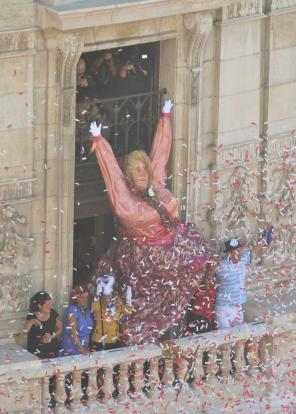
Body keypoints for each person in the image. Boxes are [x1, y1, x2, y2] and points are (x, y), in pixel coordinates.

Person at [88, 100, 211, 344]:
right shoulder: (125, 201)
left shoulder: (156, 185)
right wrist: (99, 142)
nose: (143, 171)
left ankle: (172, 330)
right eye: (136, 168)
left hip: (172, 251)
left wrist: (165, 118)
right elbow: (112, 175)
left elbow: (161, 154)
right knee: (142, 305)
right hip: (143, 259)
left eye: (144, 166)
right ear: (129, 174)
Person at [215, 227, 272, 330]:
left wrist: (264, 239)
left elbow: (254, 251)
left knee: (240, 337)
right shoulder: (220, 266)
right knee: (225, 340)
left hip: (238, 307)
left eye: (240, 250)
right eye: (237, 251)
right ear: (229, 253)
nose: (240, 253)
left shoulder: (242, 260)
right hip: (224, 308)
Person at [90, 275, 132, 351]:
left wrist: (128, 297)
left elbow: (128, 312)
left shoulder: (118, 304)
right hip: (99, 342)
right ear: (101, 296)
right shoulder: (98, 305)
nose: (107, 299)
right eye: (104, 297)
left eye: (109, 296)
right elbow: (94, 306)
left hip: (114, 341)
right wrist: (97, 293)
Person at [25, 291, 62, 359]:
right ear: (39, 305)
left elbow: (61, 328)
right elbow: (25, 331)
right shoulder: (32, 315)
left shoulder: (53, 313)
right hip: (36, 353)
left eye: (51, 303)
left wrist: (52, 336)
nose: (50, 306)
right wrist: (31, 322)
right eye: (47, 304)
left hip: (52, 351)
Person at [186, 261, 218, 334]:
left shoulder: (214, 283)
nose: (211, 273)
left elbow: (213, 302)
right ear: (205, 271)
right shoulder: (198, 282)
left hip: (209, 318)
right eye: (210, 270)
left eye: (213, 270)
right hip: (196, 316)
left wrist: (212, 318)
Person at [60, 285, 93, 356]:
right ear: (76, 298)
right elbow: (73, 334)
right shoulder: (72, 310)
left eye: (87, 297)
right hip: (72, 346)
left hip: (84, 345)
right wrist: (83, 350)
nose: (85, 300)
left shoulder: (88, 310)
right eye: (82, 297)